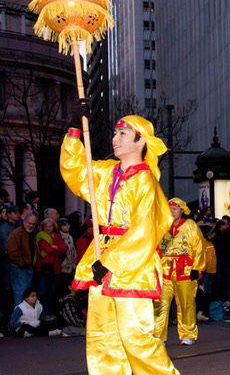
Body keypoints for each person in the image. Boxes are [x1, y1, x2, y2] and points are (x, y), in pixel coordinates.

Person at [61, 115, 180, 374]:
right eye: (115, 134)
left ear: (141, 141)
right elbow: (75, 170)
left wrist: (111, 262)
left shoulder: (146, 183)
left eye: (122, 134)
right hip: (101, 260)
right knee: (103, 338)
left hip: (131, 266)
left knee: (136, 338)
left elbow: (146, 230)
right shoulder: (105, 172)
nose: (115, 139)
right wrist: (73, 132)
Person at [154, 197, 206, 345]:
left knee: (186, 303)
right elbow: (156, 248)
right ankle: (158, 336)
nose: (172, 211)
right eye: (170, 208)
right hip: (165, 270)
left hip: (185, 270)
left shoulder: (190, 225)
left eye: (175, 208)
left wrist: (197, 268)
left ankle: (187, 334)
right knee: (160, 304)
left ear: (182, 210)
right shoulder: (162, 225)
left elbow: (199, 247)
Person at [35, 217, 67, 314]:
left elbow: (64, 248)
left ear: (54, 227)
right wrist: (56, 248)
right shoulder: (41, 235)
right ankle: (42, 312)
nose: (48, 228)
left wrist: (55, 248)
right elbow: (47, 249)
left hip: (54, 267)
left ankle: (50, 312)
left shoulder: (57, 236)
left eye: (50, 226)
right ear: (43, 227)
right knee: (43, 291)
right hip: (44, 267)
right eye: (46, 226)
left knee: (52, 291)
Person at [7, 213, 38, 306]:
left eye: (33, 224)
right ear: (24, 222)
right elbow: (12, 252)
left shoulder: (31, 233)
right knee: (20, 293)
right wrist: (23, 263)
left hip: (28, 266)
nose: (31, 225)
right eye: (29, 223)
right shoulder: (17, 233)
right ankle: (17, 318)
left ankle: (24, 316)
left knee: (25, 293)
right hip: (19, 267)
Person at [58, 218, 77, 299]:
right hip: (64, 266)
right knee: (63, 287)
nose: (68, 226)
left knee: (69, 286)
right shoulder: (60, 236)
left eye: (68, 225)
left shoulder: (70, 236)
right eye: (65, 225)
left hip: (71, 265)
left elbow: (73, 251)